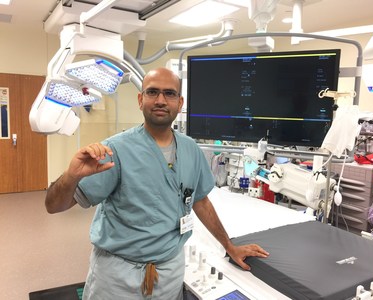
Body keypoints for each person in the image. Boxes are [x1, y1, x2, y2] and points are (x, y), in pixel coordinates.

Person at [45, 67, 269, 299]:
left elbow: (200, 201)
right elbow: (54, 206)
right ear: (140, 100)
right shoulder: (116, 150)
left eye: (169, 94)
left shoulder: (191, 150)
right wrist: (71, 175)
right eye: (152, 92)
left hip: (169, 274)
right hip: (118, 277)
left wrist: (229, 246)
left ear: (180, 103)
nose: (161, 100)